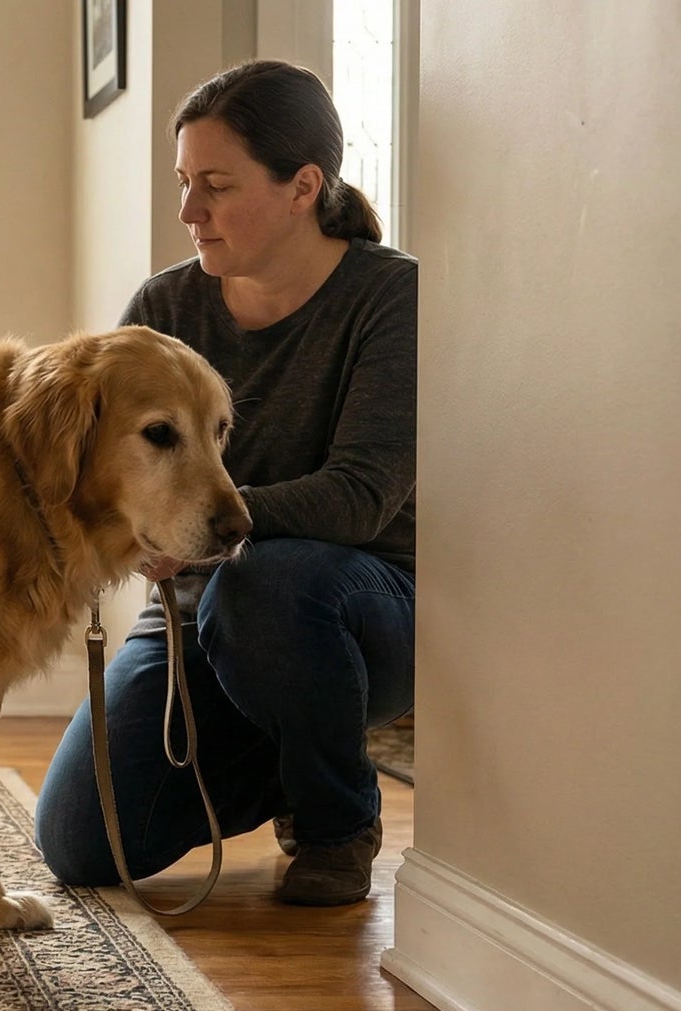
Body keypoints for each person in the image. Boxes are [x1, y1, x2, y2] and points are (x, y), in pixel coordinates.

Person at [33, 60, 416, 907]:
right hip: (193, 614)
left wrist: (204, 527)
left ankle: (335, 822)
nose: (188, 212)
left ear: (301, 187)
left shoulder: (392, 299)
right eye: (183, 182)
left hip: (359, 608)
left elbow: (358, 496)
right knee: (79, 845)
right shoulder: (165, 310)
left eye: (215, 184)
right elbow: (104, 471)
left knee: (266, 585)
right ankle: (290, 753)